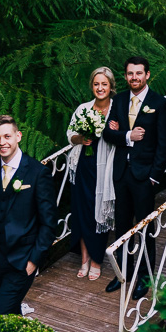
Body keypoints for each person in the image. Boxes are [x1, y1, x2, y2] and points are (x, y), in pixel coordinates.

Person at [102, 56, 166, 300]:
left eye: (139, 73)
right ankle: (123, 272)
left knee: (144, 227)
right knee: (121, 226)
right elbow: (108, 134)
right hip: (121, 173)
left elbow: (164, 145)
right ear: (125, 76)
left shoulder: (159, 103)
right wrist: (127, 135)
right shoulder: (119, 100)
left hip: (145, 176)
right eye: (130, 73)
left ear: (148, 75)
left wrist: (155, 177)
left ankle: (144, 277)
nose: (134, 77)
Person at [0, 115, 57, 315]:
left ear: (18, 136)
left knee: (0, 314)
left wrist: (33, 262)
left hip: (21, 260)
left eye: (7, 136)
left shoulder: (38, 173)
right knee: (11, 314)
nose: (2, 142)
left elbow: (49, 223)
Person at [66, 67, 117, 281]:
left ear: (111, 86)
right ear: (92, 86)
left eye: (104, 84)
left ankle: (97, 259)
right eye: (96, 84)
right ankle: (85, 259)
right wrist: (81, 138)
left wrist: (116, 128)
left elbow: (125, 134)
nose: (100, 88)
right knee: (83, 212)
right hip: (84, 165)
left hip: (107, 168)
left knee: (101, 212)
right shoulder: (83, 108)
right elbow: (70, 134)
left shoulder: (118, 108)